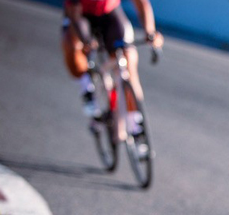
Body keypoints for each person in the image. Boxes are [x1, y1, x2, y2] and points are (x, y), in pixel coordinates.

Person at [61, 0, 163, 138]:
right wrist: (86, 41)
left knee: (127, 60)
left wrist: (150, 32)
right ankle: (86, 89)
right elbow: (74, 15)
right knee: (73, 46)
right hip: (80, 15)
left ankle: (134, 120)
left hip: (108, 12)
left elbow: (141, 3)